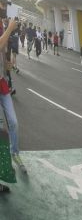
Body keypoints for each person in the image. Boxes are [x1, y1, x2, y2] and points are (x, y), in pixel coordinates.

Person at [0, 18, 24, 174]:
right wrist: (9, 28)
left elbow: (3, 49)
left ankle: (14, 153)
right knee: (0, 128)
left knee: (13, 122)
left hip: (2, 85)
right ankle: (4, 164)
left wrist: (6, 63)